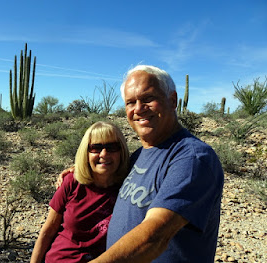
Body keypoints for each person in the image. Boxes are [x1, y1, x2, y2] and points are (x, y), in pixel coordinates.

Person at [60, 65, 224, 262]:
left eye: (148, 99)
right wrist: (80, 169)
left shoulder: (192, 158)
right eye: (130, 102)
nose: (138, 109)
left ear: (172, 100)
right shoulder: (139, 155)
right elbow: (109, 176)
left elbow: (155, 236)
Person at [31, 121, 130, 263]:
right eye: (95, 148)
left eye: (112, 147)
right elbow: (48, 230)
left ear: (122, 151)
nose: (104, 154)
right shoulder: (72, 182)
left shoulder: (130, 185)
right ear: (86, 152)